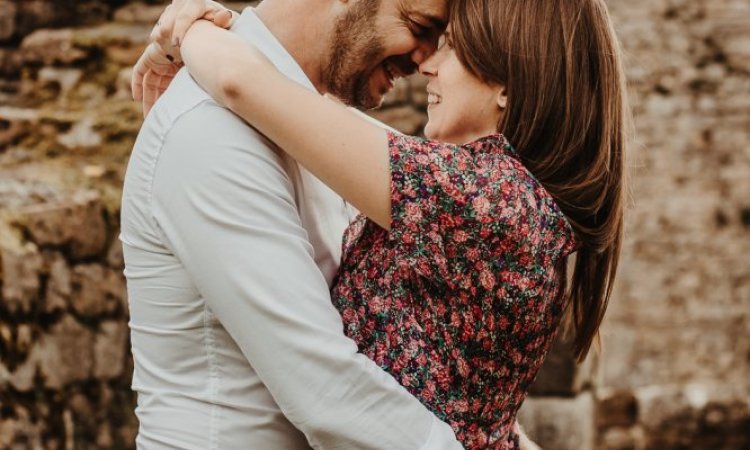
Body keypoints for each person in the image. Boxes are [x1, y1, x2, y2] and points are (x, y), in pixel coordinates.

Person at [140, 0, 630, 448]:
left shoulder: (481, 196)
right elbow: (479, 412)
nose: (427, 65)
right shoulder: (493, 193)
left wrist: (188, 32)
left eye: (450, 47)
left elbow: (239, 82)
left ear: (509, 82)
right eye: (423, 32)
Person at [121, 0, 471, 448]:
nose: (425, 57)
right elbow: (325, 390)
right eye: (419, 27)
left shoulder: (320, 124)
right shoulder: (206, 131)